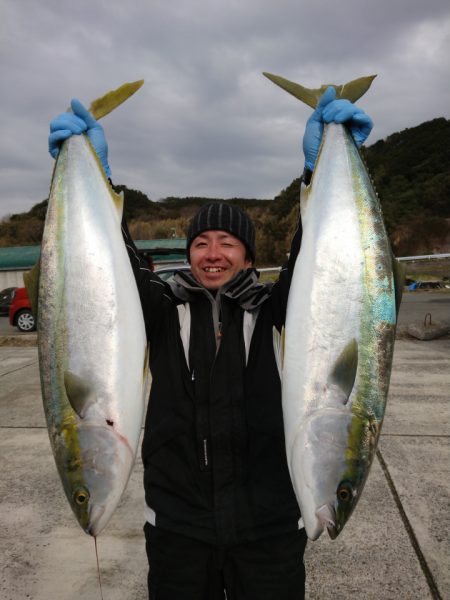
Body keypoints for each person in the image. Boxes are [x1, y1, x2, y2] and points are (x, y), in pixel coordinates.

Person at [48, 86, 373, 599]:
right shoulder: (161, 310)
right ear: (190, 254)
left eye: (227, 242)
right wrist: (94, 174)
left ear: (247, 256)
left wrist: (319, 171)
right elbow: (111, 267)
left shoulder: (276, 311)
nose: (212, 252)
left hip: (268, 529)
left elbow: (324, 259)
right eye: (200, 243)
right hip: (179, 528)